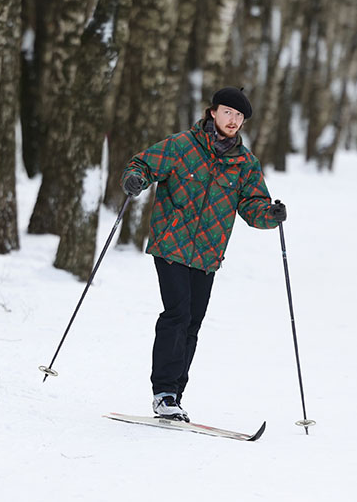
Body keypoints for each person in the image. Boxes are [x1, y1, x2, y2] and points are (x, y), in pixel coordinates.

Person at [121, 87, 286, 422]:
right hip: (171, 244)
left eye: (239, 117)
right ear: (213, 112)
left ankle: (175, 396)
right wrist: (136, 177)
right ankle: (164, 392)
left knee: (193, 323)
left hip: (208, 254)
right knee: (177, 315)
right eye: (228, 112)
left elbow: (253, 207)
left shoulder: (244, 163)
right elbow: (144, 164)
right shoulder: (182, 146)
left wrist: (272, 215)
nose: (233, 120)